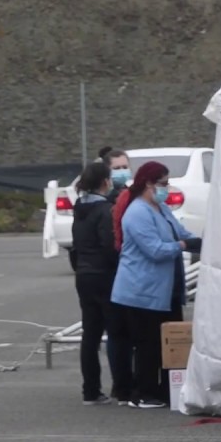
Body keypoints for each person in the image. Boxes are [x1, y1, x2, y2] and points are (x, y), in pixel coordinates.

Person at [110, 161, 201, 408]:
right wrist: (182, 246)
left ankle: (163, 390)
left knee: (166, 343)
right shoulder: (137, 212)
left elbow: (180, 232)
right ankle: (143, 392)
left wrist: (199, 241)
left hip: (165, 290)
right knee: (147, 344)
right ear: (149, 184)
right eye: (162, 183)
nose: (166, 188)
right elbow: (154, 250)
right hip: (140, 291)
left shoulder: (160, 208)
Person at [70, 161, 127, 405]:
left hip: (84, 274)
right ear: (105, 181)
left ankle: (90, 390)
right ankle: (122, 387)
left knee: (90, 334)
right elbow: (109, 246)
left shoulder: (79, 206)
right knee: (117, 332)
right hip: (104, 275)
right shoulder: (105, 210)